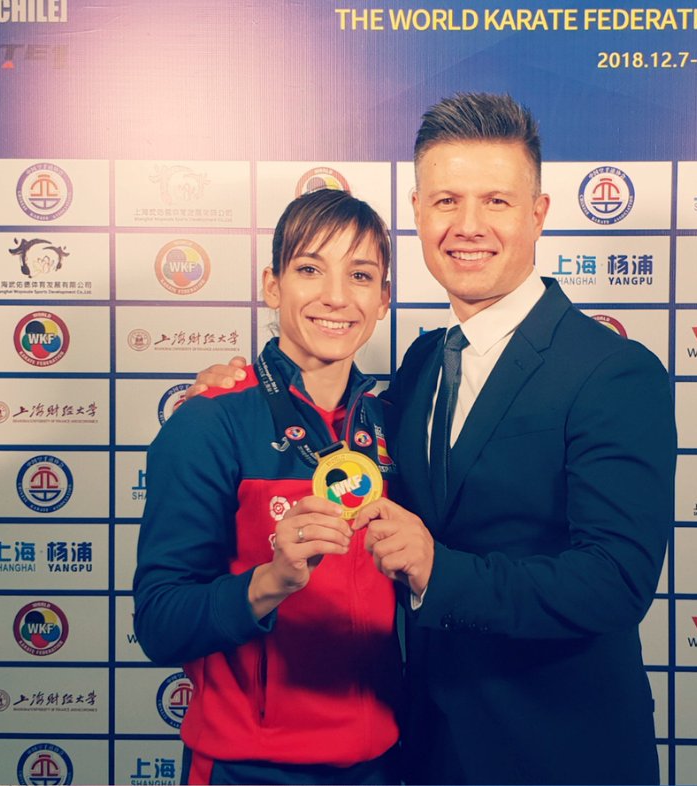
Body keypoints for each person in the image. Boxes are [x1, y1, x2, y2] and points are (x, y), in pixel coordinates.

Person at [190, 93, 676, 785]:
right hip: (419, 750)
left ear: (537, 214)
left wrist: (436, 571)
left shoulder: (613, 372)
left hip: (558, 754)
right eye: (446, 201)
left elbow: (614, 582)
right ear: (417, 212)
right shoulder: (419, 366)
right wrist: (231, 383)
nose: (467, 226)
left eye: (496, 203)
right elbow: (318, 420)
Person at [133, 188, 401, 785]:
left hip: (381, 764)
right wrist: (269, 583)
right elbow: (159, 621)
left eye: (360, 275)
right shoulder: (211, 421)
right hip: (248, 769)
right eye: (310, 269)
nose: (336, 296)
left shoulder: (393, 427)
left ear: (383, 300)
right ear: (272, 286)